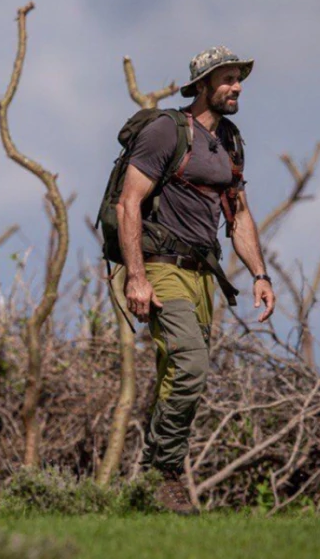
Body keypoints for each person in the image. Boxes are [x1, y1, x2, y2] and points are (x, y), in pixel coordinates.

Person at [114, 46, 276, 514]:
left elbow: (238, 215)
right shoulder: (168, 131)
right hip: (160, 264)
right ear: (202, 85)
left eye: (239, 78)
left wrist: (260, 274)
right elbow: (129, 204)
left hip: (203, 275)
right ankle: (163, 475)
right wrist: (137, 279)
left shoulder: (230, 140)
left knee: (179, 375)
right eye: (227, 79)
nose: (237, 87)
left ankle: (144, 491)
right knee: (189, 365)